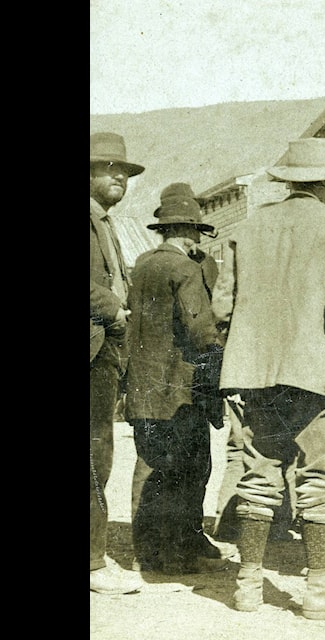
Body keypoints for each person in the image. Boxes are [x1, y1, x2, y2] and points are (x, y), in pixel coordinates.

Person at [211, 137, 325, 620]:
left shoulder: (246, 228)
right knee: (320, 472)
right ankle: (320, 590)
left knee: (259, 472)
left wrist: (241, 352)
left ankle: (247, 586)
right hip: (318, 370)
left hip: (254, 371)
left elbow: (222, 307)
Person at [124, 183, 230, 575]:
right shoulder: (185, 268)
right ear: (191, 232)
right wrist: (223, 364)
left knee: (149, 465)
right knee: (185, 467)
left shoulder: (142, 264)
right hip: (179, 389)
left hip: (142, 386)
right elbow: (201, 329)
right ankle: (176, 550)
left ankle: (146, 549)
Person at [90, 132, 146, 595]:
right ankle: (92, 561)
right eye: (108, 169)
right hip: (93, 345)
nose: (118, 178)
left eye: (123, 171)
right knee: (94, 452)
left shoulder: (105, 223)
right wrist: (117, 310)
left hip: (103, 349)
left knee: (100, 450)